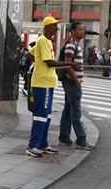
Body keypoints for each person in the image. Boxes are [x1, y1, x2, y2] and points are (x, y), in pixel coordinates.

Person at [26, 16, 76, 158]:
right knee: (41, 115)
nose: (56, 28)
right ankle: (33, 145)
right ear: (47, 27)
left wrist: (37, 63)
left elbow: (31, 54)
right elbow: (49, 62)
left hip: (47, 83)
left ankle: (42, 144)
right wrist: (69, 65)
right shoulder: (43, 41)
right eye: (54, 25)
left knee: (46, 115)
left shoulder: (45, 41)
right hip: (43, 83)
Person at [59, 21, 93, 151]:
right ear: (72, 31)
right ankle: (81, 139)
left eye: (83, 30)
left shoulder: (76, 45)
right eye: (79, 30)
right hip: (72, 83)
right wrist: (76, 80)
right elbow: (67, 65)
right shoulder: (71, 45)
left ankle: (64, 137)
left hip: (72, 82)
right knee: (76, 111)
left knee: (68, 109)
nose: (82, 32)